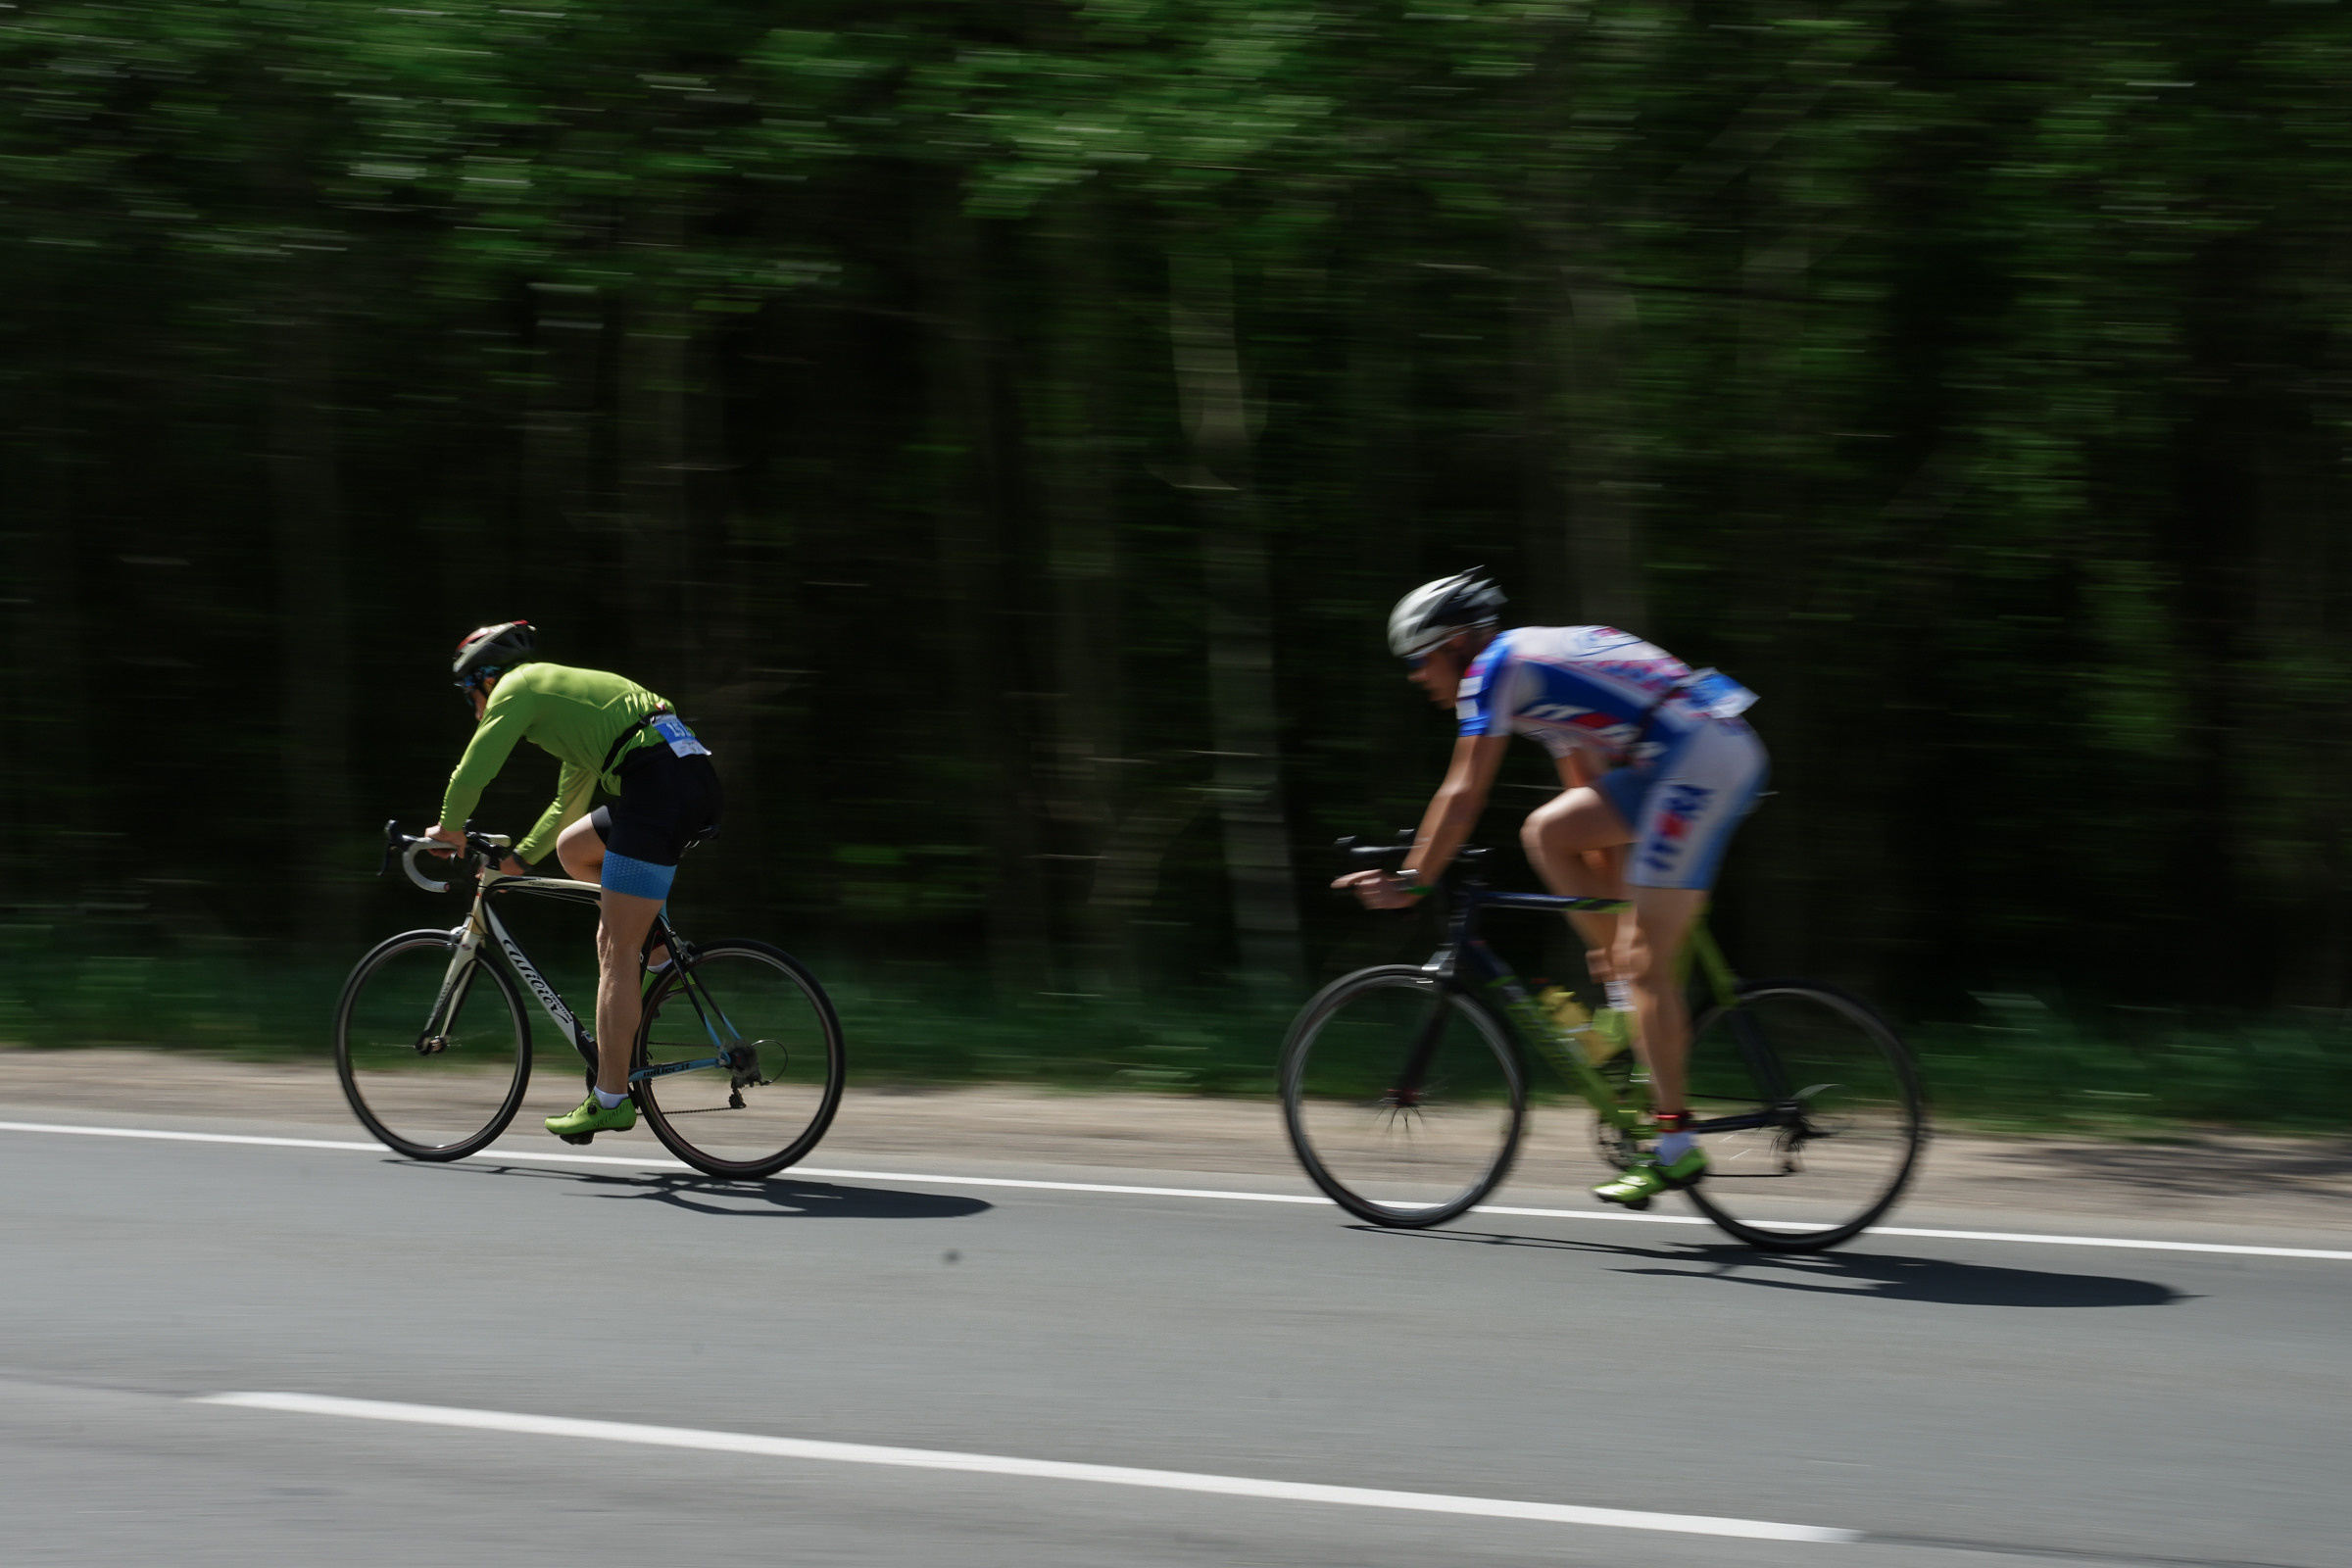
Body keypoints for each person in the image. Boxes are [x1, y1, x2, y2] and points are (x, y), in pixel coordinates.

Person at [1335, 571, 1767, 1207]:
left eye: (1421, 660)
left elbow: (1463, 794)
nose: (1416, 676)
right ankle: (1627, 1002)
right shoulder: (1535, 671)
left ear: (1458, 646)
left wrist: (1413, 881)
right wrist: (1612, 937)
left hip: (1698, 761)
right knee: (1548, 832)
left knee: (1649, 967)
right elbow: (1586, 806)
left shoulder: (1496, 670)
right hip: (1690, 750)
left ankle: (1675, 1144)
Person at [426, 621, 723, 1143]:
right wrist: (519, 859)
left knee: (613, 946)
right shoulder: (563, 711)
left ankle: (610, 1098)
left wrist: (450, 827)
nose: (472, 705)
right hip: (677, 774)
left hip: (657, 784)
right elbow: (567, 810)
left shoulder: (518, 687)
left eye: (467, 692)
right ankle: (660, 955)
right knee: (574, 849)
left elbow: (477, 766)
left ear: (485, 679)